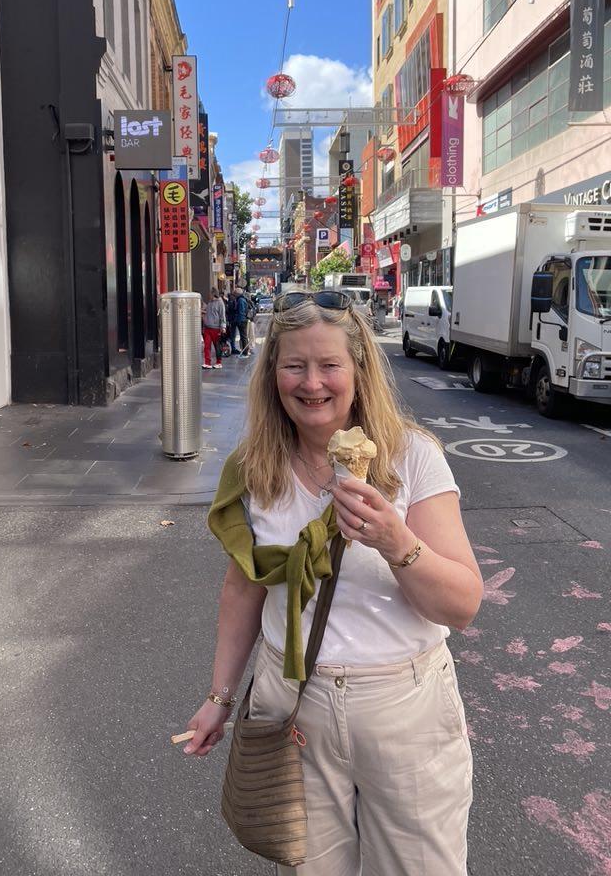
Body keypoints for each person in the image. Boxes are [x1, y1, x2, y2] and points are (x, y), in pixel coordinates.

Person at [182, 289, 483, 875]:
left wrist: (396, 542)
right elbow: (243, 589)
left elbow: (462, 605)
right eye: (294, 365)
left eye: (329, 365)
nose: (312, 383)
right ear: (272, 373)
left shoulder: (411, 457)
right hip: (293, 700)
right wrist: (219, 698)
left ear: (359, 370)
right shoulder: (254, 467)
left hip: (403, 704)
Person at [202, 288, 226, 370]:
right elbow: (209, 313)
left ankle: (219, 362)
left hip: (216, 328)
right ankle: (207, 362)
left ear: (213, 294)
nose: (209, 295)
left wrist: (223, 327)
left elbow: (222, 316)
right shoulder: (210, 302)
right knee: (207, 346)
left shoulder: (220, 303)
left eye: (210, 293)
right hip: (207, 327)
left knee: (217, 346)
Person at [233, 287, 250, 357]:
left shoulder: (240, 300)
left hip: (242, 320)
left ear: (237, 294)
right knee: (243, 336)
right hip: (243, 320)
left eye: (234, 294)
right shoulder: (242, 299)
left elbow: (241, 312)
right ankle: (244, 351)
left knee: (243, 336)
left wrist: (239, 321)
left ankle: (245, 352)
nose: (234, 296)